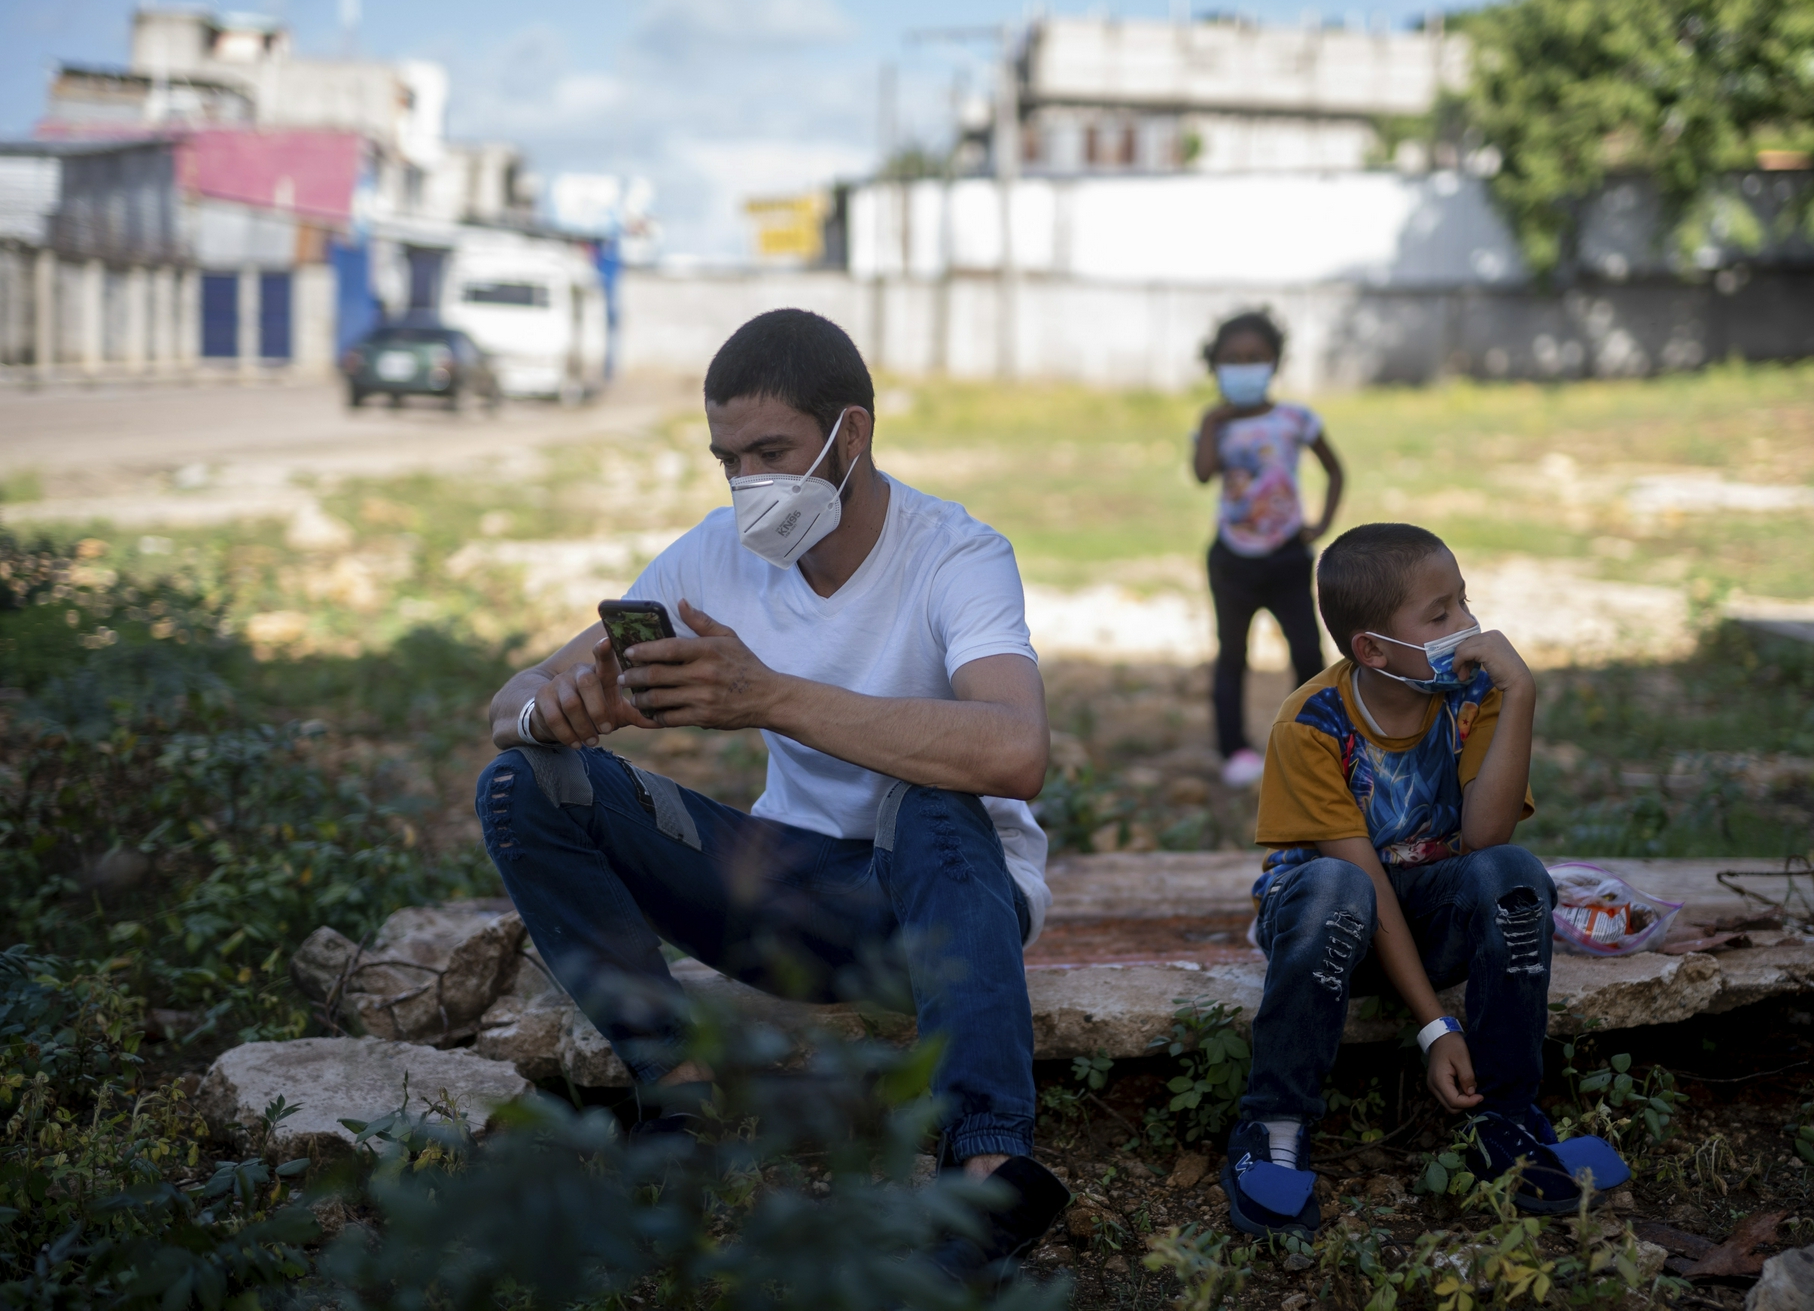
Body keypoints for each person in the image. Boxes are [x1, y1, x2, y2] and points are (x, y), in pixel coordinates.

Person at [475, 309, 1068, 1282]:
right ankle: (678, 1094)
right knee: (521, 784)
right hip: (785, 898)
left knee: (927, 799)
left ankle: (989, 1160)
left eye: (771, 452)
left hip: (933, 904)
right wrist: (560, 713)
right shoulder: (713, 555)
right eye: (728, 460)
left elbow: (1014, 750)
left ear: (852, 432)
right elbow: (508, 701)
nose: (752, 485)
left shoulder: (955, 554)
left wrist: (768, 696)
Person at [1217, 521, 1572, 1238]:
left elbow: (1484, 840)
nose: (1468, 627)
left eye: (1464, 603)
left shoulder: (1476, 696)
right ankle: (1273, 1125)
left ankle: (1508, 1115)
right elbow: (1367, 885)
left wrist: (1521, 691)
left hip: (1428, 915)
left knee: (1514, 874)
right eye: (1439, 615)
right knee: (1336, 891)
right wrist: (1436, 1025)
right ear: (1372, 649)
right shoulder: (1311, 722)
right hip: (1329, 928)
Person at [1191, 310, 1345, 788]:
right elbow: (1201, 473)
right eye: (1232, 359)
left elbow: (1335, 470)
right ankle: (1234, 750)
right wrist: (1212, 421)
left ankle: (1319, 742)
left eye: (1255, 357)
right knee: (1231, 655)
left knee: (1305, 649)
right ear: (1215, 366)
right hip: (1231, 560)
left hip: (1286, 557)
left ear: (1275, 362)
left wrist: (1318, 523)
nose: (1244, 366)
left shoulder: (1295, 418)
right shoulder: (1215, 424)